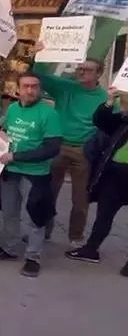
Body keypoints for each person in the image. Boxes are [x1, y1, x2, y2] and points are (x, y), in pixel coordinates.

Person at [0, 72, 61, 278]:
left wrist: (16, 156)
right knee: (10, 212)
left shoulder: (49, 114)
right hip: (10, 172)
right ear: (18, 89)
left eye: (34, 86)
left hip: (35, 175)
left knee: (35, 217)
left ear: (40, 89)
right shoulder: (12, 109)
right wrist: (0, 134)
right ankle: (9, 248)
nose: (30, 90)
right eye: (25, 86)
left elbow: (52, 148)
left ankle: (32, 258)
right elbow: (4, 130)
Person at [33, 57, 107, 247]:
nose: (81, 72)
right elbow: (40, 76)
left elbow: (110, 123)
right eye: (80, 68)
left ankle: (76, 236)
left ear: (99, 74)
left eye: (88, 70)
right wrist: (41, 55)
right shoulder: (65, 87)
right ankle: (43, 230)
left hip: (84, 150)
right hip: (58, 145)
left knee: (80, 198)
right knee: (48, 192)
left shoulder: (105, 97)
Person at [65, 87, 128, 277]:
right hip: (114, 175)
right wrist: (109, 101)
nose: (123, 107)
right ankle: (91, 249)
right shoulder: (123, 120)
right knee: (104, 214)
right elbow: (100, 120)